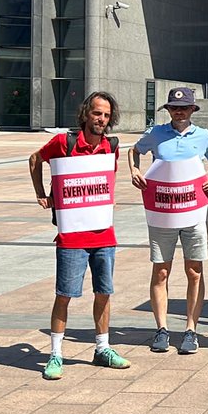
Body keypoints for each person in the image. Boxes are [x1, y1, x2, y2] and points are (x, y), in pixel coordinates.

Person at [28, 91, 130, 380]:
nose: (102, 119)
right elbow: (35, 159)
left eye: (107, 115)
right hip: (72, 236)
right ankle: (55, 354)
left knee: (104, 293)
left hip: (104, 234)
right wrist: (41, 193)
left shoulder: (111, 145)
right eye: (97, 113)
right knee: (64, 295)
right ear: (86, 113)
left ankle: (103, 349)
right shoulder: (64, 142)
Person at [129, 87, 208, 355]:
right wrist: (134, 170)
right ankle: (161, 329)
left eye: (183, 107)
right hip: (162, 212)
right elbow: (133, 152)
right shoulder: (156, 134)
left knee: (194, 271)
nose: (178, 111)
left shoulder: (203, 136)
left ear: (193, 109)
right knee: (161, 271)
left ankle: (191, 329)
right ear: (168, 110)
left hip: (193, 212)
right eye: (173, 107)